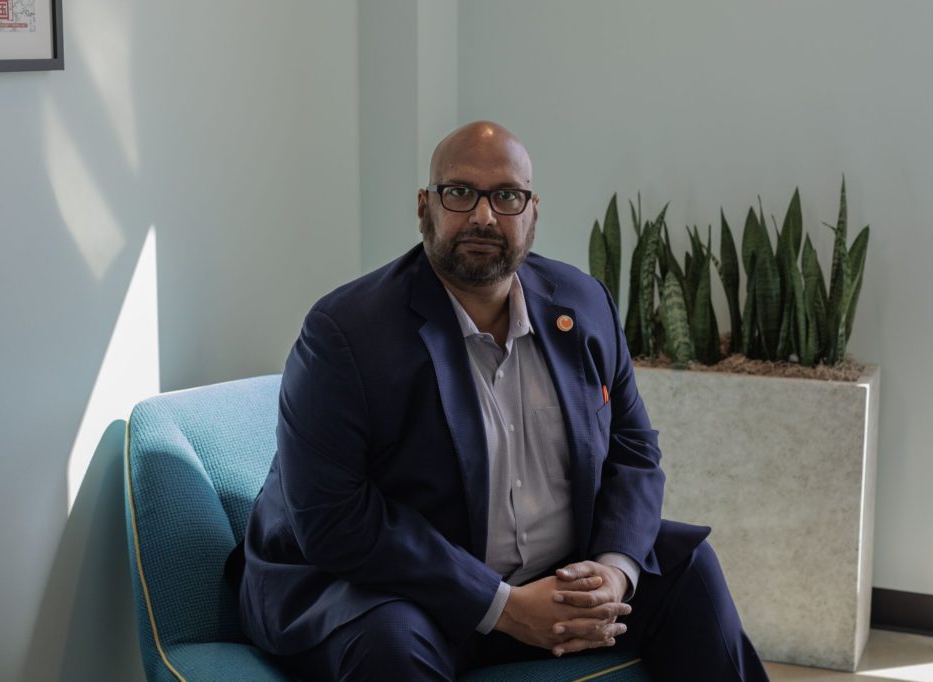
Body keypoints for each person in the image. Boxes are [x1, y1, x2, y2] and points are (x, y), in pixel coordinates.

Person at [232, 121, 770, 681]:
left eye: (507, 196)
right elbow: (334, 519)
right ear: (425, 207)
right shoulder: (345, 333)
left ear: (532, 211)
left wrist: (611, 575)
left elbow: (633, 452)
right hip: (404, 589)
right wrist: (503, 606)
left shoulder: (585, 305)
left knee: (689, 567)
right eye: (460, 193)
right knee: (390, 643)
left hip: (551, 575)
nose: (484, 217)